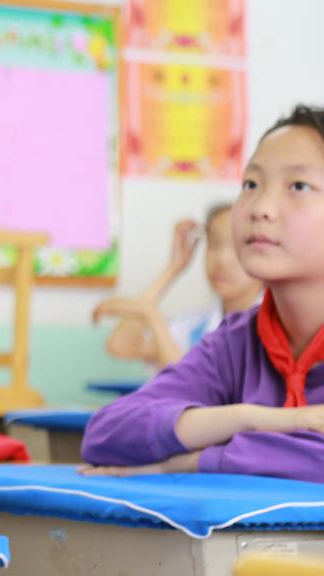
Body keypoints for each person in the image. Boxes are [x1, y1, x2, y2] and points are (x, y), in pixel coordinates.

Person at [81, 104, 324, 483]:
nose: (260, 207)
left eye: (298, 186)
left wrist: (189, 461)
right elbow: (107, 433)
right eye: (251, 184)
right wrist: (254, 418)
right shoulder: (237, 341)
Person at [93, 206, 262, 368]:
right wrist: (173, 268)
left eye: (239, 246)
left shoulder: (270, 330)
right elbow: (120, 345)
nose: (222, 260)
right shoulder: (197, 327)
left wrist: (150, 315)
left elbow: (195, 385)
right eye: (214, 244)